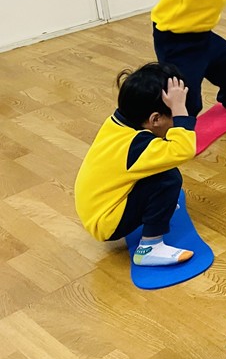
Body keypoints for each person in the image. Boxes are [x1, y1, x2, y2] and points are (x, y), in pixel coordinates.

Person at [74, 63, 196, 266]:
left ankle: (152, 210)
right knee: (168, 178)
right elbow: (183, 150)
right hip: (106, 221)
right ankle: (149, 248)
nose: (176, 122)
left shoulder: (119, 123)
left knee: (160, 171)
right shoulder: (137, 145)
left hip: (97, 209)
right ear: (155, 119)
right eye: (174, 118)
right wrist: (180, 111)